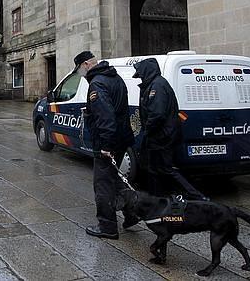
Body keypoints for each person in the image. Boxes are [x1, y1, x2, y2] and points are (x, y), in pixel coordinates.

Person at [74, 50, 139, 239]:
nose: (80, 73)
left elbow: (106, 117)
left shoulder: (97, 83)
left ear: (86, 64)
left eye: (79, 69)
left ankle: (107, 226)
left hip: (108, 143)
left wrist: (105, 146)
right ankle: (132, 213)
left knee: (102, 184)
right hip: (121, 138)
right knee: (114, 178)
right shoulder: (114, 76)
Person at [133, 58, 208, 201]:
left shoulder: (157, 86)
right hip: (161, 135)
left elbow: (157, 114)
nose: (140, 77)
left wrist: (147, 132)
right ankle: (158, 197)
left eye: (141, 74)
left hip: (162, 136)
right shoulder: (155, 84)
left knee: (166, 168)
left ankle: (196, 196)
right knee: (154, 168)